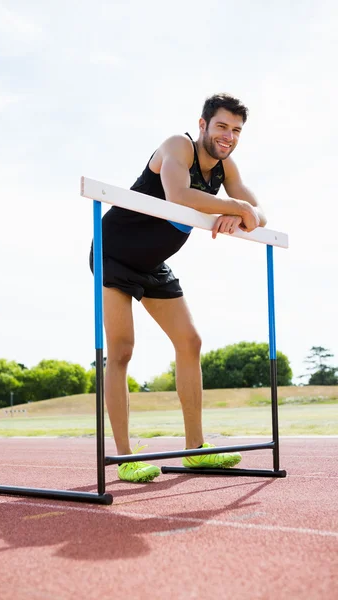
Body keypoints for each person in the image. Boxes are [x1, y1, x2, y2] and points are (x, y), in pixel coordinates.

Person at [89, 93, 267, 483]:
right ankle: (125, 458)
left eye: (236, 131)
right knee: (121, 350)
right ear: (203, 124)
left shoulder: (226, 166)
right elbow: (178, 196)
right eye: (222, 126)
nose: (228, 137)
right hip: (115, 252)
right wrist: (233, 209)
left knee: (190, 342)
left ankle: (195, 449)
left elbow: (259, 214)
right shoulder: (177, 147)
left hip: (153, 264)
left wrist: (239, 211)